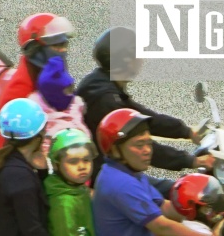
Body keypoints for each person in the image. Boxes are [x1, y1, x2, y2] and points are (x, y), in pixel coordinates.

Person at [79, 27, 207, 176]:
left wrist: (185, 131)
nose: (142, 59)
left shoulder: (100, 82)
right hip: (106, 175)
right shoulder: (106, 100)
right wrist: (192, 161)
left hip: (113, 167)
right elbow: (139, 147)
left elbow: (142, 116)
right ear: (126, 60)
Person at [94, 110, 195, 236]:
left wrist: (202, 211)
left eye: (149, 143)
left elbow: (164, 206)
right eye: (139, 145)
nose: (147, 150)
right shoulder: (120, 182)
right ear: (115, 150)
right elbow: (162, 227)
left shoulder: (129, 172)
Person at [0, 98, 54, 236]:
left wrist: (42, 174)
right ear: (39, 136)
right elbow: (32, 230)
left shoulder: (7, 162)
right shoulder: (21, 177)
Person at [45, 127, 96, 236]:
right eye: (73, 162)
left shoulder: (78, 189)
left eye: (86, 160)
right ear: (56, 165)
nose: (82, 166)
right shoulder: (63, 202)